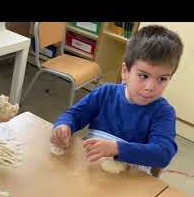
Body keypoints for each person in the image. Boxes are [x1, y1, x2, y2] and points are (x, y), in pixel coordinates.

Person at [50, 25, 184, 174]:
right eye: (143, 76)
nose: (150, 87)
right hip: (93, 170)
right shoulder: (105, 93)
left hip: (131, 181)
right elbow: (74, 115)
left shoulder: (163, 112)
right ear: (125, 72)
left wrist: (116, 149)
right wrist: (63, 126)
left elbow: (163, 153)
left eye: (162, 79)